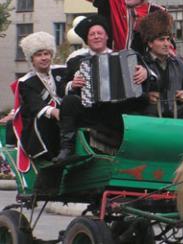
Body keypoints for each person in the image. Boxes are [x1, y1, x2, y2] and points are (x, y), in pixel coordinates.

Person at [52, 15, 148, 164]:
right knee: (70, 101)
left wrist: (145, 73)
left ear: (106, 36)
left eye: (99, 33)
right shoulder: (75, 61)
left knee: (142, 99)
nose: (96, 37)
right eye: (92, 34)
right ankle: (67, 149)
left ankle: (137, 151)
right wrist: (72, 84)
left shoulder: (127, 58)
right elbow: (60, 89)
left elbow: (151, 81)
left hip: (118, 110)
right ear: (87, 39)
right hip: (91, 110)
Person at [12, 32, 67, 172]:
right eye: (39, 55)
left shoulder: (62, 71)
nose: (44, 58)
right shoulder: (26, 82)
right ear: (32, 59)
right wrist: (55, 112)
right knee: (45, 119)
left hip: (66, 116)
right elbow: (35, 105)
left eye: (46, 53)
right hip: (38, 122)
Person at [139, 11, 183, 118]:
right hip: (148, 123)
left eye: (168, 39)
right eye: (161, 40)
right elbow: (130, 98)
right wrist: (146, 98)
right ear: (150, 43)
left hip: (175, 122)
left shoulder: (180, 65)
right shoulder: (140, 65)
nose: (166, 44)